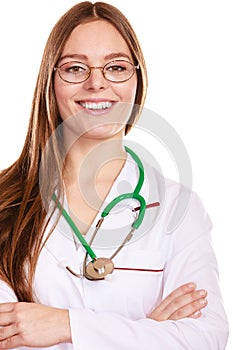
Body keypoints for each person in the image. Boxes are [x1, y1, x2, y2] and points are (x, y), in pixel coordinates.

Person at [0, 1, 228, 349]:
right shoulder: (5, 200)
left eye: (116, 67)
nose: (96, 83)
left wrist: (66, 326)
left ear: (137, 79)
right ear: (51, 81)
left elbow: (205, 339)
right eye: (75, 68)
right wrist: (148, 330)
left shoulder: (177, 208)